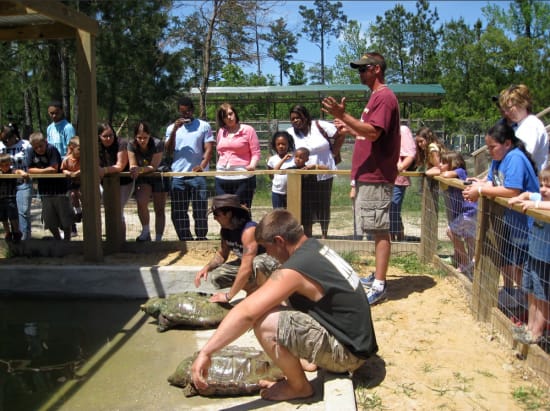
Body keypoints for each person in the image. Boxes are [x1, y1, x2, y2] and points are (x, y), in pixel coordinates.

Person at [191, 209, 378, 401]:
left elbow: (247, 313)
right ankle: (307, 358)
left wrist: (207, 352)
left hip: (348, 355)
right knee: (262, 263)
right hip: (353, 339)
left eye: (268, 247)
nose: (268, 253)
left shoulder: (295, 270)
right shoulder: (311, 247)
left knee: (265, 322)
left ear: (280, 241)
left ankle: (299, 387)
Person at [321, 52, 400, 305]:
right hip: (369, 175)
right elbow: (368, 134)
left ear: (376, 69)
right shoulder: (374, 99)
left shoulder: (385, 98)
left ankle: (380, 285)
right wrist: (350, 128)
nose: (360, 74)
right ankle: (378, 276)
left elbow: (374, 134)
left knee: (379, 230)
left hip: (377, 176)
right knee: (375, 229)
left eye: (363, 69)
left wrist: (344, 116)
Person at [463, 123, 539, 310]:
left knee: (522, 264)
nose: (489, 151)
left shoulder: (515, 158)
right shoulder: (499, 159)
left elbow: (512, 190)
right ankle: (510, 292)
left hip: (526, 223)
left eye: (492, 147)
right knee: (507, 258)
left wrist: (480, 190)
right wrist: (480, 184)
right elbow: (492, 180)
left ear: (507, 143)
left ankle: (523, 300)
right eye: (487, 147)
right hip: (509, 220)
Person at [194, 194, 280, 304]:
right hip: (249, 265)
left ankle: (265, 295)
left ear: (229, 214)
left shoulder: (249, 231)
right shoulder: (225, 230)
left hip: (270, 265)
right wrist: (207, 267)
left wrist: (228, 296)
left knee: (258, 263)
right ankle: (252, 290)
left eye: (216, 214)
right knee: (218, 275)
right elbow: (222, 254)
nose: (215, 218)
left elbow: (246, 267)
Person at [508, 164, 550, 344]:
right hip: (533, 255)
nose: (543, 189)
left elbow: (534, 200)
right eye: (541, 184)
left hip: (545, 260)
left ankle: (538, 332)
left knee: (542, 297)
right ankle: (529, 327)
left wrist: (535, 204)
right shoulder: (539, 196)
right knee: (531, 293)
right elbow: (527, 194)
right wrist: (519, 198)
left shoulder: (540, 201)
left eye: (548, 186)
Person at [165, 96, 214, 241]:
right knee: (179, 210)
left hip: (197, 175)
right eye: (181, 112)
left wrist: (202, 165)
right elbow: (168, 150)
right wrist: (175, 129)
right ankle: (185, 238)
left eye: (187, 112)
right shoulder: (171, 128)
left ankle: (201, 237)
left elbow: (209, 149)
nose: (184, 115)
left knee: (200, 209)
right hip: (178, 175)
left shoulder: (203, 126)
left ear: (192, 111)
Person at [286, 105, 337, 239]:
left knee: (324, 203)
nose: (296, 121)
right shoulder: (290, 132)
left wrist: (335, 152)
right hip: (304, 176)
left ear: (306, 116)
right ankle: (308, 234)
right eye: (293, 119)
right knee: (307, 204)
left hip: (324, 171)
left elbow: (340, 133)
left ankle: (324, 234)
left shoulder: (320, 125)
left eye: (298, 117)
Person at [428, 151, 477, 277]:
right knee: (468, 237)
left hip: (469, 211)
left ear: (454, 164)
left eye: (444, 163)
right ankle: (472, 264)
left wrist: (438, 170)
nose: (441, 164)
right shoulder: (454, 173)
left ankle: (465, 260)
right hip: (467, 212)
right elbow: (429, 172)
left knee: (451, 231)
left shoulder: (460, 171)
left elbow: (446, 174)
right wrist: (439, 168)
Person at [26, 132, 73, 241]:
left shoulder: (52, 150)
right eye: (35, 147)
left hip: (59, 189)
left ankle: (67, 241)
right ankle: (58, 240)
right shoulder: (30, 152)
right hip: (44, 190)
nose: (38, 149)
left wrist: (38, 171)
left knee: (65, 218)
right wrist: (44, 171)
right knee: (49, 219)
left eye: (40, 146)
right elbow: (29, 169)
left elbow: (54, 168)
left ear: (45, 141)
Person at [127, 120, 168, 242]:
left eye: (145, 137)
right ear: (135, 137)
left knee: (159, 208)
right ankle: (145, 232)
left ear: (150, 135)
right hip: (143, 176)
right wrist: (134, 169)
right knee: (141, 202)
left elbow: (154, 166)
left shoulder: (158, 144)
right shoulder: (131, 145)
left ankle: (159, 239)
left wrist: (139, 169)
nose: (142, 140)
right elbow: (132, 163)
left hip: (158, 175)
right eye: (139, 137)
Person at [215, 103, 261, 209]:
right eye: (225, 116)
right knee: (224, 211)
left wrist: (252, 165)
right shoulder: (221, 131)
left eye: (230, 114)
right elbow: (220, 151)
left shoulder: (248, 130)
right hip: (221, 176)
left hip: (243, 177)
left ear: (235, 113)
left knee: (242, 210)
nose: (229, 117)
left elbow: (256, 152)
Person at [498, 84, 548, 171]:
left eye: (509, 108)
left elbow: (519, 159)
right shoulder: (519, 125)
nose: (506, 113)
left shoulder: (531, 125)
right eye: (505, 109)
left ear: (522, 103)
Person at [98, 122, 132, 240]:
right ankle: (111, 239)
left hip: (124, 182)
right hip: (105, 182)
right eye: (105, 136)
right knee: (109, 210)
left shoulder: (121, 143)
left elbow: (120, 166)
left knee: (118, 210)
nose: (108, 138)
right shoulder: (96, 146)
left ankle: (121, 241)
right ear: (99, 137)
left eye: (111, 135)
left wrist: (104, 170)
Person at [0, 124, 33, 240]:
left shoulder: (26, 145)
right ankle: (12, 235)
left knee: (22, 212)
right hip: (4, 186)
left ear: (13, 137)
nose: (4, 142)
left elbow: (32, 161)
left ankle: (25, 239)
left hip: (22, 182)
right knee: (5, 212)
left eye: (6, 140)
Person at [390, 124, 416, 241]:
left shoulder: (402, 130)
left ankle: (397, 237)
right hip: (385, 178)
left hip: (398, 178)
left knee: (394, 209)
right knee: (390, 209)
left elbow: (410, 154)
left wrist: (399, 168)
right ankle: (394, 236)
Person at [0, 153, 26, 242]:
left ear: (10, 163)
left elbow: (18, 171)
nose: (4, 167)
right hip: (1, 199)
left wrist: (22, 172)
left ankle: (16, 232)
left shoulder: (12, 171)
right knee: (3, 218)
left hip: (11, 198)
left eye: (6, 165)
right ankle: (8, 232)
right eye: (2, 165)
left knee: (13, 217)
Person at [267, 131, 295, 209]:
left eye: (283, 144)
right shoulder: (272, 160)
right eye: (278, 144)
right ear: (274, 146)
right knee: (278, 215)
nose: (281, 146)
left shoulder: (294, 159)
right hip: (277, 192)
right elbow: (271, 176)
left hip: (291, 192)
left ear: (288, 144)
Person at [61, 136, 82, 225]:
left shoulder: (83, 158)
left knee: (82, 195)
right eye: (79, 149)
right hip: (72, 182)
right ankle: (78, 212)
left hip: (82, 182)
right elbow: (63, 169)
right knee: (73, 196)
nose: (81, 151)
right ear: (72, 148)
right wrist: (69, 173)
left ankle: (87, 211)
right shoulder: (66, 159)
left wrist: (79, 172)